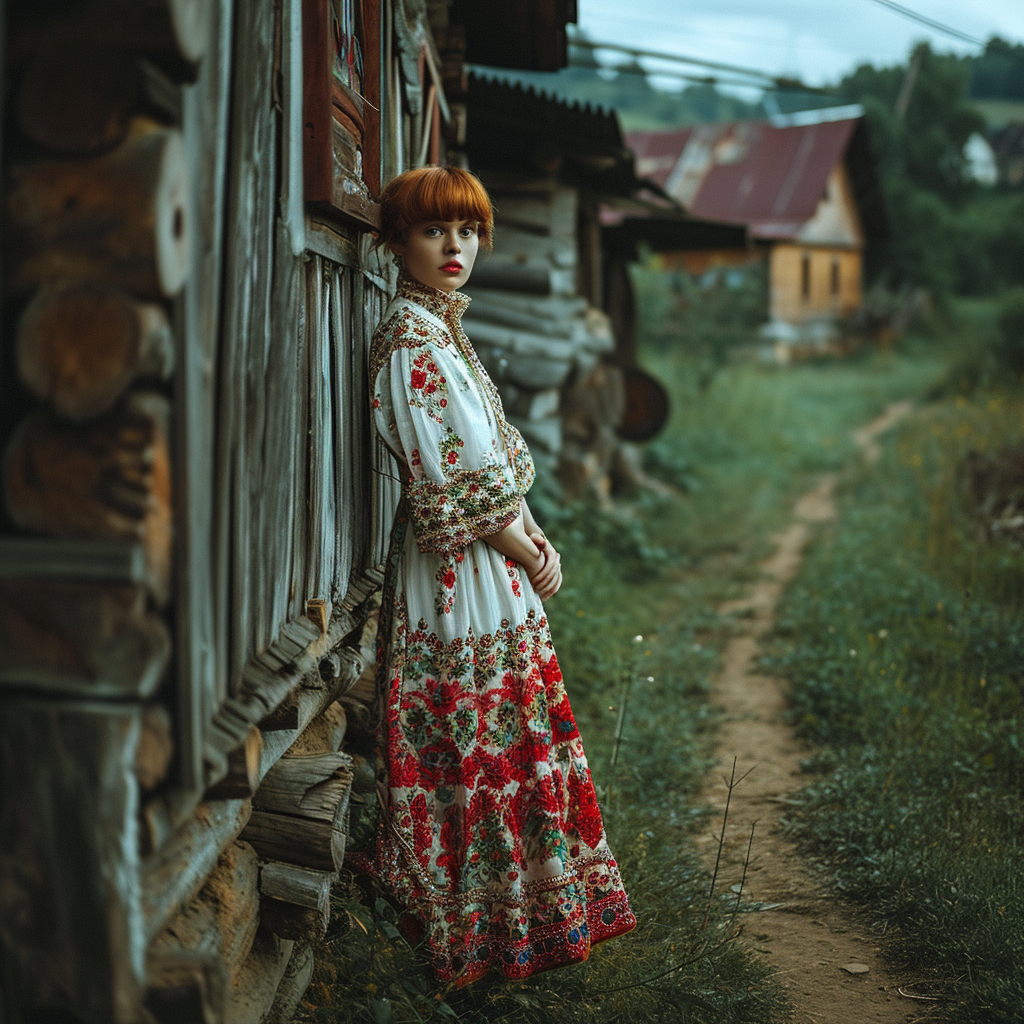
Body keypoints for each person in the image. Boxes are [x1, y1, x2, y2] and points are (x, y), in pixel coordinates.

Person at [363, 165, 635, 986]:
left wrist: (531, 534)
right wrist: (529, 548)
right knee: (476, 743)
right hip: (458, 575)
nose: (456, 247)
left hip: (488, 563)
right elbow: (459, 484)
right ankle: (475, 939)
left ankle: (519, 930)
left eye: (469, 231)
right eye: (435, 231)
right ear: (397, 240)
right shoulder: (413, 345)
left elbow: (495, 467)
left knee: (504, 735)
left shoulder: (443, 333)